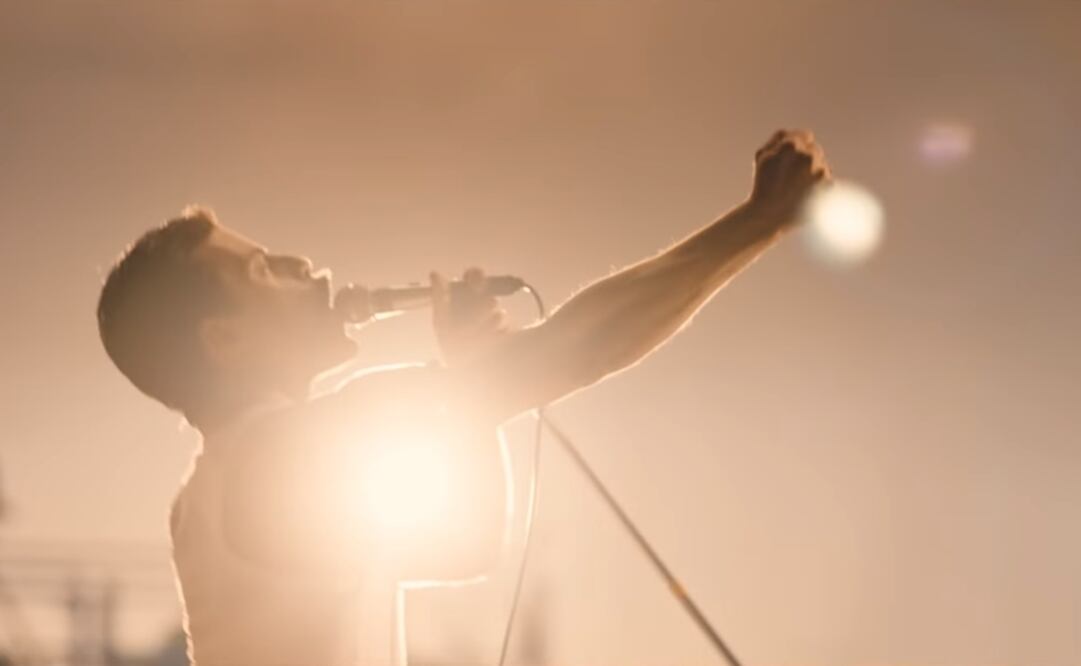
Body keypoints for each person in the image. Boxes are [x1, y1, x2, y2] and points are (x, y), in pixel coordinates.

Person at [97, 129, 830, 666]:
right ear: (225, 342)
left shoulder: (208, 494)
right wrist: (755, 222)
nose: (298, 263)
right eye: (261, 271)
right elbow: (584, 345)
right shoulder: (283, 450)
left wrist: (478, 383)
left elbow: (467, 544)